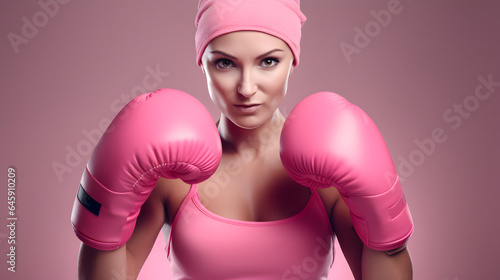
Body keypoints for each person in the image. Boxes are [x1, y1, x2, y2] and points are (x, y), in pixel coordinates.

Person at [72, 0, 414, 279]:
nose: (247, 88)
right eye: (225, 63)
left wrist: (391, 238)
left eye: (268, 61)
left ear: (292, 61)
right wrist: (100, 212)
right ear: (202, 63)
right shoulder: (169, 175)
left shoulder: (328, 173)